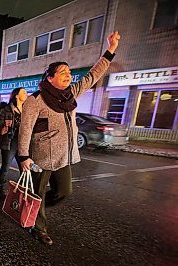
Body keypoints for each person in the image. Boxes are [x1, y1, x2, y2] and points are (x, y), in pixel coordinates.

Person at [18, 31, 121, 246]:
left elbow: (92, 76)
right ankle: (39, 228)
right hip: (40, 157)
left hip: (64, 155)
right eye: (62, 72)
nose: (68, 74)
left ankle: (38, 207)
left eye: (69, 71)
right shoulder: (35, 100)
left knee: (64, 191)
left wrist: (110, 50)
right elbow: (25, 129)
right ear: (50, 77)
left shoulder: (70, 94)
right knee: (37, 193)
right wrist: (23, 156)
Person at [0, 87, 27, 193]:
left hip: (23, 142)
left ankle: (24, 188)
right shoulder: (6, 110)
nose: (26, 94)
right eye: (23, 92)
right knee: (6, 165)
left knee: (24, 166)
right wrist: (5, 127)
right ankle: (0, 186)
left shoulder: (27, 109)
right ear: (17, 96)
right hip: (10, 141)